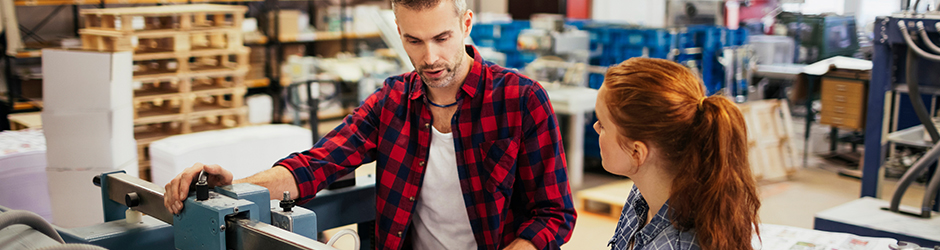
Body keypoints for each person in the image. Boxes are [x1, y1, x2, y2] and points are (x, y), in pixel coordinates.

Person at [162, 0, 577, 249]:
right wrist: (232, 188)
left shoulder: (521, 100)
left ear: (466, 24)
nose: (430, 57)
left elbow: (555, 214)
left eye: (442, 38)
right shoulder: (392, 101)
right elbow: (314, 165)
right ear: (399, 31)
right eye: (414, 41)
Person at [593, 58, 760, 250]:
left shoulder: (676, 244)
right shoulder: (643, 195)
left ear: (637, 152)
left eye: (603, 124)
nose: (596, 127)